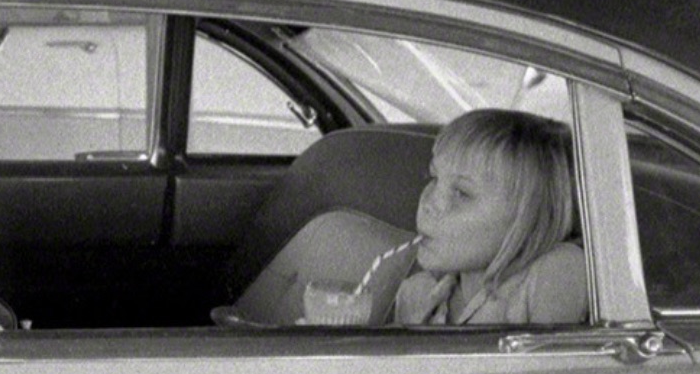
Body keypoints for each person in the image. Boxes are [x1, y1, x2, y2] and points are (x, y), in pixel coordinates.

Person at [221, 108, 586, 328]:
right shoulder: (417, 295)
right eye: (433, 178)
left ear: (528, 217)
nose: (429, 202)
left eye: (461, 193)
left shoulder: (556, 274)